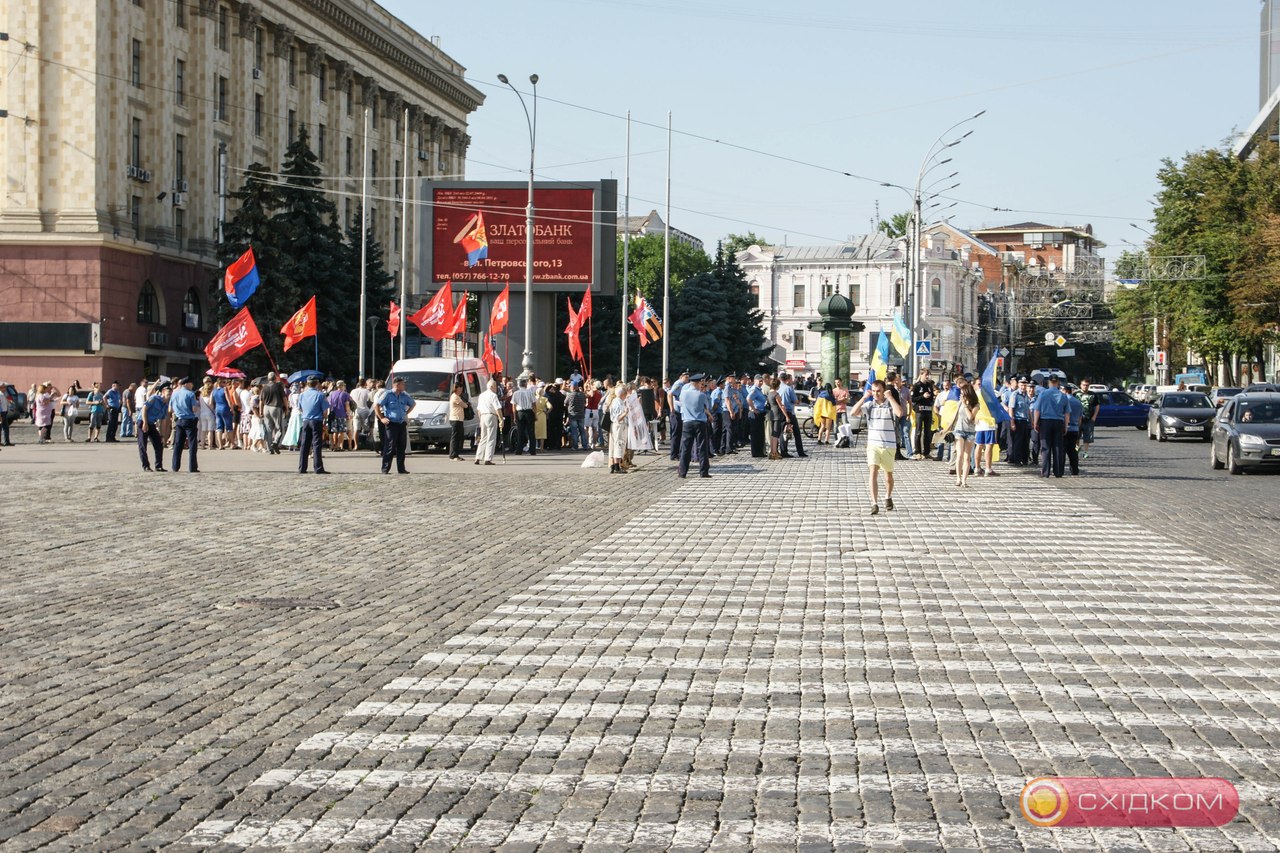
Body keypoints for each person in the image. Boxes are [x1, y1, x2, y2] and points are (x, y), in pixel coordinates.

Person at [851, 379, 903, 515]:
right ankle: (874, 503)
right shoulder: (870, 405)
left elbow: (899, 413)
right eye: (874, 391)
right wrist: (864, 397)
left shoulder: (890, 405)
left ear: (884, 390)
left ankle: (888, 496)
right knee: (873, 471)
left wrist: (890, 397)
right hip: (873, 444)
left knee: (888, 477)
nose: (876, 393)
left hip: (889, 445)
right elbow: (853, 413)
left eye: (878, 391)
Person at [1032, 375, 1069, 478]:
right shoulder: (1063, 396)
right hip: (1058, 422)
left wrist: (1035, 423)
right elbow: (1067, 413)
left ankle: (1045, 472)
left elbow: (1037, 410)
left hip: (1046, 422)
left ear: (1048, 382)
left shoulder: (1043, 394)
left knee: (1046, 447)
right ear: (1058, 383)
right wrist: (1066, 426)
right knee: (1057, 448)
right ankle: (1058, 472)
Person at [375, 375, 413, 474]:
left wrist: (406, 413)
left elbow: (413, 404)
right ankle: (385, 468)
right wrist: (382, 418)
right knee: (390, 446)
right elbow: (377, 405)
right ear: (397, 385)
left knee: (402, 446)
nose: (404, 385)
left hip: (401, 423)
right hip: (391, 423)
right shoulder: (387, 394)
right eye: (402, 384)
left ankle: (401, 468)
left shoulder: (404, 395)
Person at [944, 382, 979, 488]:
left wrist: (965, 405)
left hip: (970, 432)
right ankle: (958, 478)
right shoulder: (960, 403)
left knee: (967, 456)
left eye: (963, 393)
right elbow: (955, 417)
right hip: (959, 430)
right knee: (959, 455)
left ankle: (964, 479)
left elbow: (970, 418)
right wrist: (946, 429)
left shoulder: (976, 405)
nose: (961, 395)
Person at [677, 373, 712, 478]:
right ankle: (703, 472)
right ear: (697, 383)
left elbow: (681, 403)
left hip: (687, 422)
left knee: (686, 448)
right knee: (702, 447)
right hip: (699, 422)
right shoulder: (702, 395)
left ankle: (682, 472)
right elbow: (706, 406)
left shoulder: (683, 393)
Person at [295, 376, 330, 474]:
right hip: (316, 420)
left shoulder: (302, 395)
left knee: (304, 444)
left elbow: (300, 408)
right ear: (317, 383)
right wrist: (324, 420)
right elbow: (325, 411)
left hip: (306, 420)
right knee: (317, 444)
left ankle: (302, 467)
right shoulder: (320, 395)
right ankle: (318, 467)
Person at [168, 376, 200, 473]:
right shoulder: (190, 394)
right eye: (191, 383)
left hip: (179, 420)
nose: (192, 385)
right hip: (189, 420)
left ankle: (175, 466)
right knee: (192, 445)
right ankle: (192, 467)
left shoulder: (174, 394)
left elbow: (170, 409)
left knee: (178, 444)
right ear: (186, 384)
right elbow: (194, 409)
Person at [137, 380, 169, 471]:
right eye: (168, 390)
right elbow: (144, 409)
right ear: (163, 391)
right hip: (143, 421)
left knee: (159, 444)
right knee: (143, 445)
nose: (170, 392)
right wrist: (145, 423)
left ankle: (158, 466)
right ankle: (146, 466)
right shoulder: (154, 398)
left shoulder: (165, 405)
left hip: (152, 424)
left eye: (171, 391)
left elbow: (163, 421)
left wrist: (162, 435)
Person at [910, 368, 937, 459]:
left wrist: (931, 399)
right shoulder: (917, 385)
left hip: (928, 410)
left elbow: (932, 396)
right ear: (921, 375)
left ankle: (926, 452)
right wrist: (923, 396)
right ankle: (917, 451)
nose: (927, 377)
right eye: (926, 375)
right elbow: (913, 398)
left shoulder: (929, 385)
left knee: (928, 432)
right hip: (920, 410)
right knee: (918, 432)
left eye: (928, 375)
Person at [474, 379, 502, 465]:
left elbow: (478, 409)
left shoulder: (481, 395)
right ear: (491, 386)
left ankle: (478, 457)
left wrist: (480, 418)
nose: (496, 388)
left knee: (483, 437)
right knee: (491, 438)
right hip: (491, 415)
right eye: (495, 386)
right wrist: (501, 419)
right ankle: (488, 458)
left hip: (483, 416)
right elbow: (497, 408)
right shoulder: (493, 395)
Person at [259, 372, 287, 454]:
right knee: (279, 428)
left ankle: (269, 447)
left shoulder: (264, 387)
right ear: (275, 378)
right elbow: (284, 398)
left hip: (266, 408)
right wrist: (287, 409)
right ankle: (275, 442)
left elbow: (261, 401)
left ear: (268, 379)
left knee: (268, 429)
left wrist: (261, 411)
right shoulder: (278, 386)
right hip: (276, 407)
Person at [608, 382, 630, 474]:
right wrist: (625, 413)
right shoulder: (617, 402)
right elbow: (617, 417)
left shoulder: (617, 401)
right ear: (622, 394)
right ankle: (617, 466)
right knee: (619, 444)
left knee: (615, 445)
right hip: (619, 425)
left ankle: (614, 465)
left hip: (618, 425)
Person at [1075, 378, 1100, 459]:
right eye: (1084, 385)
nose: (1085, 387)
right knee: (1076, 436)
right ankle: (1076, 450)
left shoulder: (1092, 395)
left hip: (1088, 419)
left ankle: (1085, 452)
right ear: (1080, 385)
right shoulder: (1075, 394)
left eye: (1087, 385)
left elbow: (1097, 406)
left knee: (1087, 437)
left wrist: (1094, 417)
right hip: (1077, 419)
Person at [667, 370, 689, 461]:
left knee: (679, 433)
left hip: (680, 411)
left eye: (688, 377)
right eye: (686, 377)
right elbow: (670, 394)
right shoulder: (679, 384)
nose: (687, 379)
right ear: (681, 377)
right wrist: (671, 407)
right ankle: (674, 454)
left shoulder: (684, 385)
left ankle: (678, 453)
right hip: (676, 411)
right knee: (676, 433)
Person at [512, 378, 537, 455]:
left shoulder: (515, 393)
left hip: (520, 412)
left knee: (520, 432)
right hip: (529, 412)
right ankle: (532, 450)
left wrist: (515, 416)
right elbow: (534, 404)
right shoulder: (530, 392)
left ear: (519, 385)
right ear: (526, 384)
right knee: (531, 432)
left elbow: (513, 406)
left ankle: (519, 450)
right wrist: (535, 414)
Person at [328, 381, 353, 452]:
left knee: (335, 431)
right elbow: (347, 405)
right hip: (342, 414)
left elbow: (329, 404)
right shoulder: (345, 394)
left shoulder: (332, 394)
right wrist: (348, 414)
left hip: (333, 414)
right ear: (342, 386)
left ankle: (334, 445)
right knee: (341, 431)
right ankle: (339, 446)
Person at [1064, 388, 1084, 476]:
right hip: (1075, 429)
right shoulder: (1078, 402)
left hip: (1065, 429)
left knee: (1062, 451)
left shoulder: (1063, 401)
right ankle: (1075, 470)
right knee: (1074, 451)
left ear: (1064, 391)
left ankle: (1060, 469)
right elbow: (1080, 419)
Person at [747, 374, 767, 458]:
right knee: (755, 434)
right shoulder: (754, 389)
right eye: (759, 381)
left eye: (762, 381)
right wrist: (754, 409)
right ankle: (755, 452)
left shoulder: (759, 389)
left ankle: (760, 452)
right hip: (755, 414)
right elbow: (749, 399)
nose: (761, 383)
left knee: (760, 434)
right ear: (755, 381)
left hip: (761, 413)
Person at [447, 380, 468, 460]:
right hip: (455, 419)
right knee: (455, 438)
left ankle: (456, 454)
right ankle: (453, 455)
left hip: (459, 419)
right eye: (460, 388)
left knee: (458, 437)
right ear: (457, 388)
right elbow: (464, 405)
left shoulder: (458, 396)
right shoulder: (455, 396)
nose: (461, 389)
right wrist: (466, 404)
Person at [198, 379, 217, 449]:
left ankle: (202, 445)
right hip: (210, 413)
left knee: (203, 430)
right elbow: (211, 405)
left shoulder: (201, 396)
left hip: (202, 413)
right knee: (210, 430)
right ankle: (210, 445)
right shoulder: (211, 395)